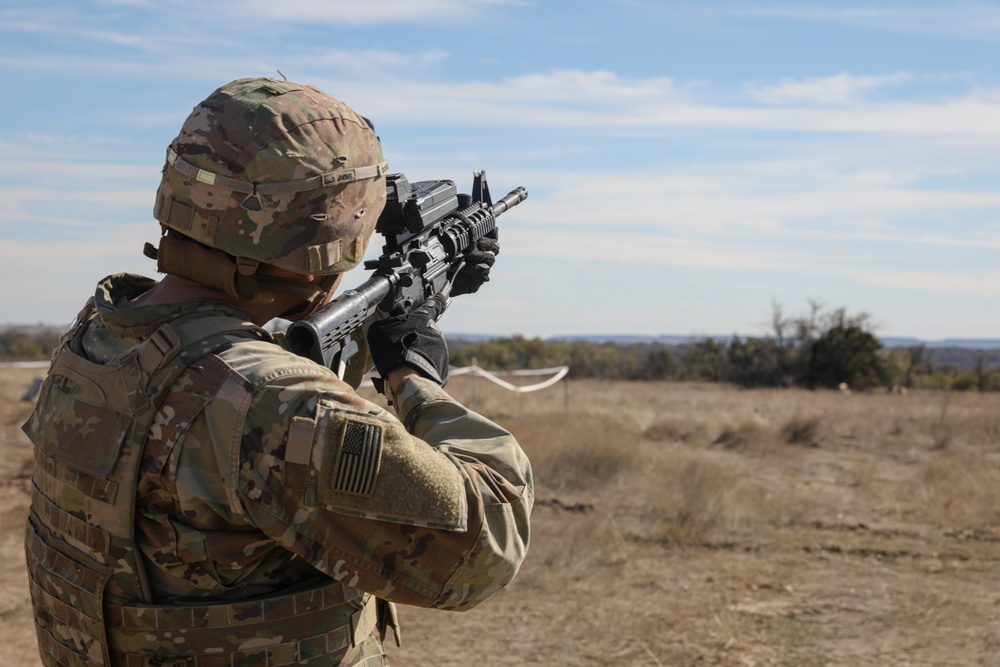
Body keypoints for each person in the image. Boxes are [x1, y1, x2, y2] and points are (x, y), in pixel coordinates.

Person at [22, 77, 532, 667]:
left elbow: (237, 381)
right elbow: (488, 541)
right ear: (328, 242)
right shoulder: (267, 403)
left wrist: (388, 318)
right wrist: (413, 372)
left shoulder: (102, 337)